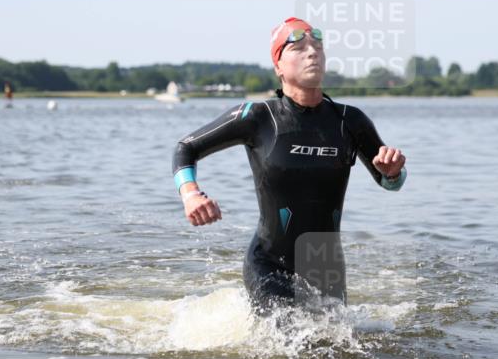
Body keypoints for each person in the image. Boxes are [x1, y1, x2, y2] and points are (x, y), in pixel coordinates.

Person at [171, 17, 407, 309]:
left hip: (326, 267)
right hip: (269, 263)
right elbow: (186, 148)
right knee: (287, 343)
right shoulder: (256, 117)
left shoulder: (350, 120)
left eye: (318, 47)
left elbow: (390, 181)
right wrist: (191, 194)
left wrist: (393, 173)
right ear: (278, 67)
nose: (312, 53)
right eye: (298, 47)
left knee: (338, 349)